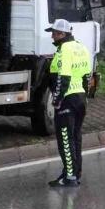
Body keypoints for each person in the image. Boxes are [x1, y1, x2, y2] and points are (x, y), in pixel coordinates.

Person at [45, 19, 91, 187]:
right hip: (80, 98)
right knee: (76, 137)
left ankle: (69, 176)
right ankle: (75, 173)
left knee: (65, 138)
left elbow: (62, 78)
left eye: (54, 34)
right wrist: (86, 95)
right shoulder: (82, 47)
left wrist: (57, 100)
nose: (52, 37)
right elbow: (88, 76)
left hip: (67, 99)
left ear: (62, 34)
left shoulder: (65, 50)